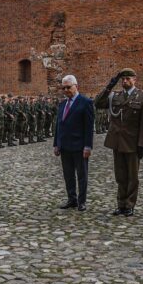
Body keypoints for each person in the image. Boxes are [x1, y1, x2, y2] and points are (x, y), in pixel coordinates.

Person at [93, 68, 143, 216]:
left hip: (132, 143)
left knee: (132, 176)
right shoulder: (115, 96)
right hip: (117, 142)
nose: (125, 81)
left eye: (128, 79)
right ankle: (121, 204)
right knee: (120, 175)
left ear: (134, 80)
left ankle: (130, 205)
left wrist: (142, 144)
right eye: (122, 79)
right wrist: (109, 86)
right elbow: (98, 103)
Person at [54, 75, 94, 212]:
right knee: (68, 175)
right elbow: (58, 125)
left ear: (76, 86)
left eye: (68, 87)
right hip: (65, 146)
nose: (66, 90)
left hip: (79, 146)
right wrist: (56, 144)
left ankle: (82, 201)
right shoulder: (62, 104)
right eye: (63, 87)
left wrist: (88, 146)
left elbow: (89, 127)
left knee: (82, 175)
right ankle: (72, 199)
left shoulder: (85, 102)